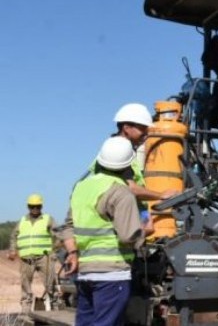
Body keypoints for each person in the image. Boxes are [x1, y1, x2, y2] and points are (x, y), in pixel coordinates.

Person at [62, 136, 146, 326]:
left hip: (84, 273)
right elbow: (128, 236)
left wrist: (73, 253)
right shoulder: (121, 191)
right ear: (129, 165)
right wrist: (145, 231)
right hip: (111, 274)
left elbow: (67, 226)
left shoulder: (81, 187)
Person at [7, 194, 56, 313]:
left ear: (41, 206)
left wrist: (54, 252)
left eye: (37, 206)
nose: (35, 209)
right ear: (28, 207)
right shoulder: (22, 221)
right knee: (25, 288)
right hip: (26, 260)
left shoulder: (48, 219)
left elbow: (57, 236)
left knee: (51, 286)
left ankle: (56, 309)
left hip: (45, 258)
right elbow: (14, 236)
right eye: (32, 206)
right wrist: (13, 250)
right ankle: (26, 312)